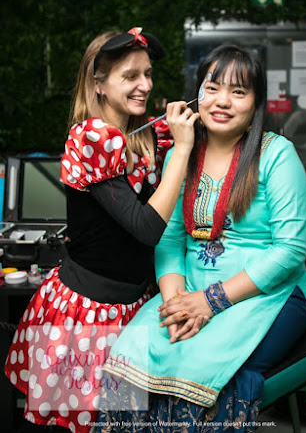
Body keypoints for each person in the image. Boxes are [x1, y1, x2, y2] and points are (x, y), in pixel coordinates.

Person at [96, 44, 306, 433]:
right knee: (129, 352)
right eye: (213, 87)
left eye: (239, 91)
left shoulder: (276, 155)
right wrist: (176, 305)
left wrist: (210, 301)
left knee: (209, 366)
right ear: (196, 94)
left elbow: (289, 251)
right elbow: (169, 241)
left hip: (267, 294)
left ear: (256, 102)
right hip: (188, 291)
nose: (223, 101)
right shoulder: (180, 155)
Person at [4, 27, 199, 433]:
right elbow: (146, 228)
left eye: (147, 74)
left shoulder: (140, 135)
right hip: (87, 315)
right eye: (130, 76)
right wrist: (181, 149)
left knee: (123, 422)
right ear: (99, 83)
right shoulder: (91, 136)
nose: (144, 85)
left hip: (130, 306)